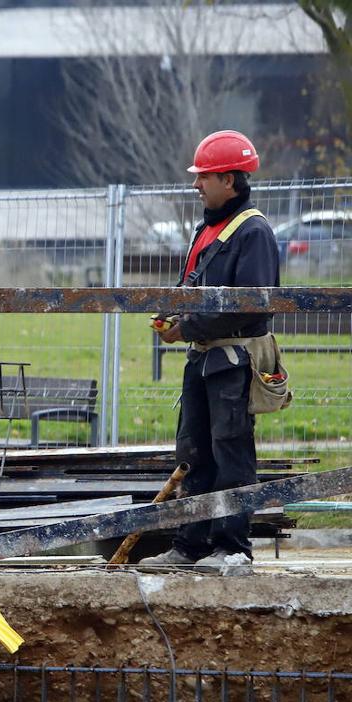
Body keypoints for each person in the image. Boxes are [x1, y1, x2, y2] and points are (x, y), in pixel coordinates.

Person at [140, 130, 280, 572]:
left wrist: (187, 327)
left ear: (230, 181)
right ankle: (191, 545)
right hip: (204, 358)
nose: (197, 184)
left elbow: (250, 305)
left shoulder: (253, 232)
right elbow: (193, 288)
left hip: (233, 361)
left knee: (231, 452)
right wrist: (174, 314)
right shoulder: (209, 228)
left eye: (205, 176)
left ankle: (233, 547)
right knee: (194, 452)